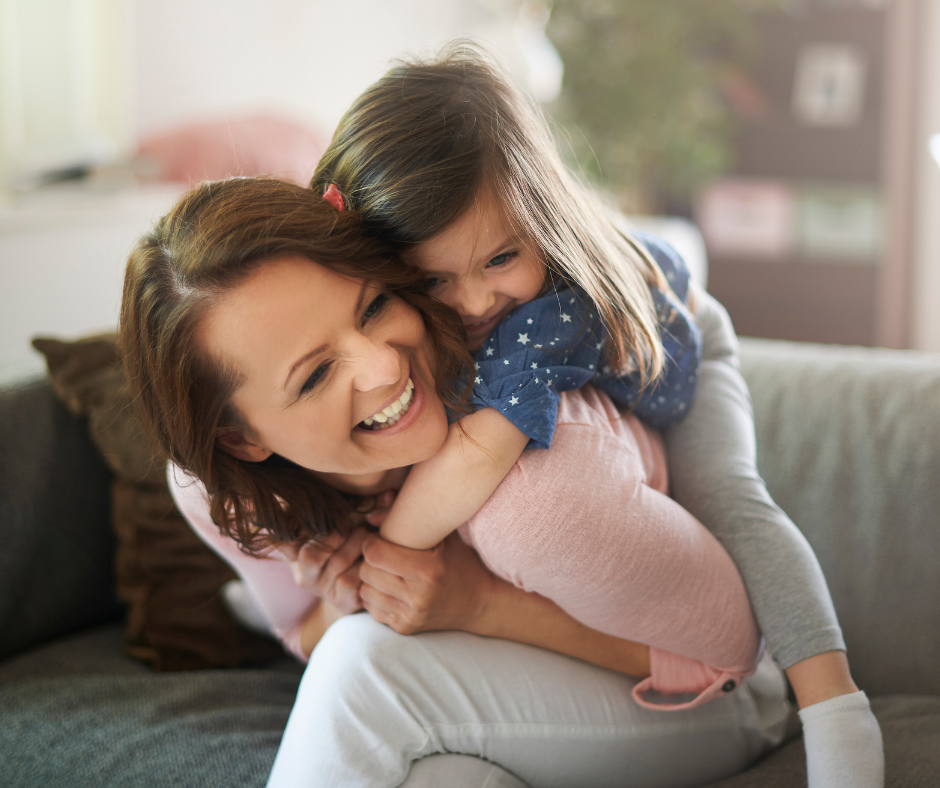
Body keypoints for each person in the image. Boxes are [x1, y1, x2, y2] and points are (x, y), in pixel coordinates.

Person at [308, 44, 884, 788]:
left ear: (539, 220)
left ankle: (833, 701)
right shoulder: (430, 312)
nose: (477, 301)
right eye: (433, 279)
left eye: (500, 259)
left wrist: (378, 559)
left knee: (729, 499)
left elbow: (479, 454)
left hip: (687, 346)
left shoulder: (542, 312)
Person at [121, 176, 791, 788]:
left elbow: (732, 652)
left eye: (374, 306)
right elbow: (304, 633)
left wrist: (478, 603)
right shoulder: (228, 493)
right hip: (500, 712)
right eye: (316, 375)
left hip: (713, 700)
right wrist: (346, 593)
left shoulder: (532, 466)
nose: (383, 367)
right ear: (242, 439)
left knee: (364, 671)